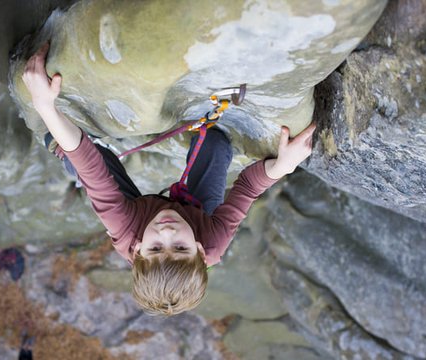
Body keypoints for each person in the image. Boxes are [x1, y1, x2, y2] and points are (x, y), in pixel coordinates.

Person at [22, 43, 316, 316]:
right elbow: (248, 188)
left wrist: (45, 106)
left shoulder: (125, 230)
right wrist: (282, 166)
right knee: (216, 146)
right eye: (180, 247)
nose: (166, 232)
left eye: (155, 248)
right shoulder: (212, 240)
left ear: (137, 250)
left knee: (86, 160)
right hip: (194, 211)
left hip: (138, 212)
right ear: (200, 251)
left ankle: (61, 150)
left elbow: (92, 172)